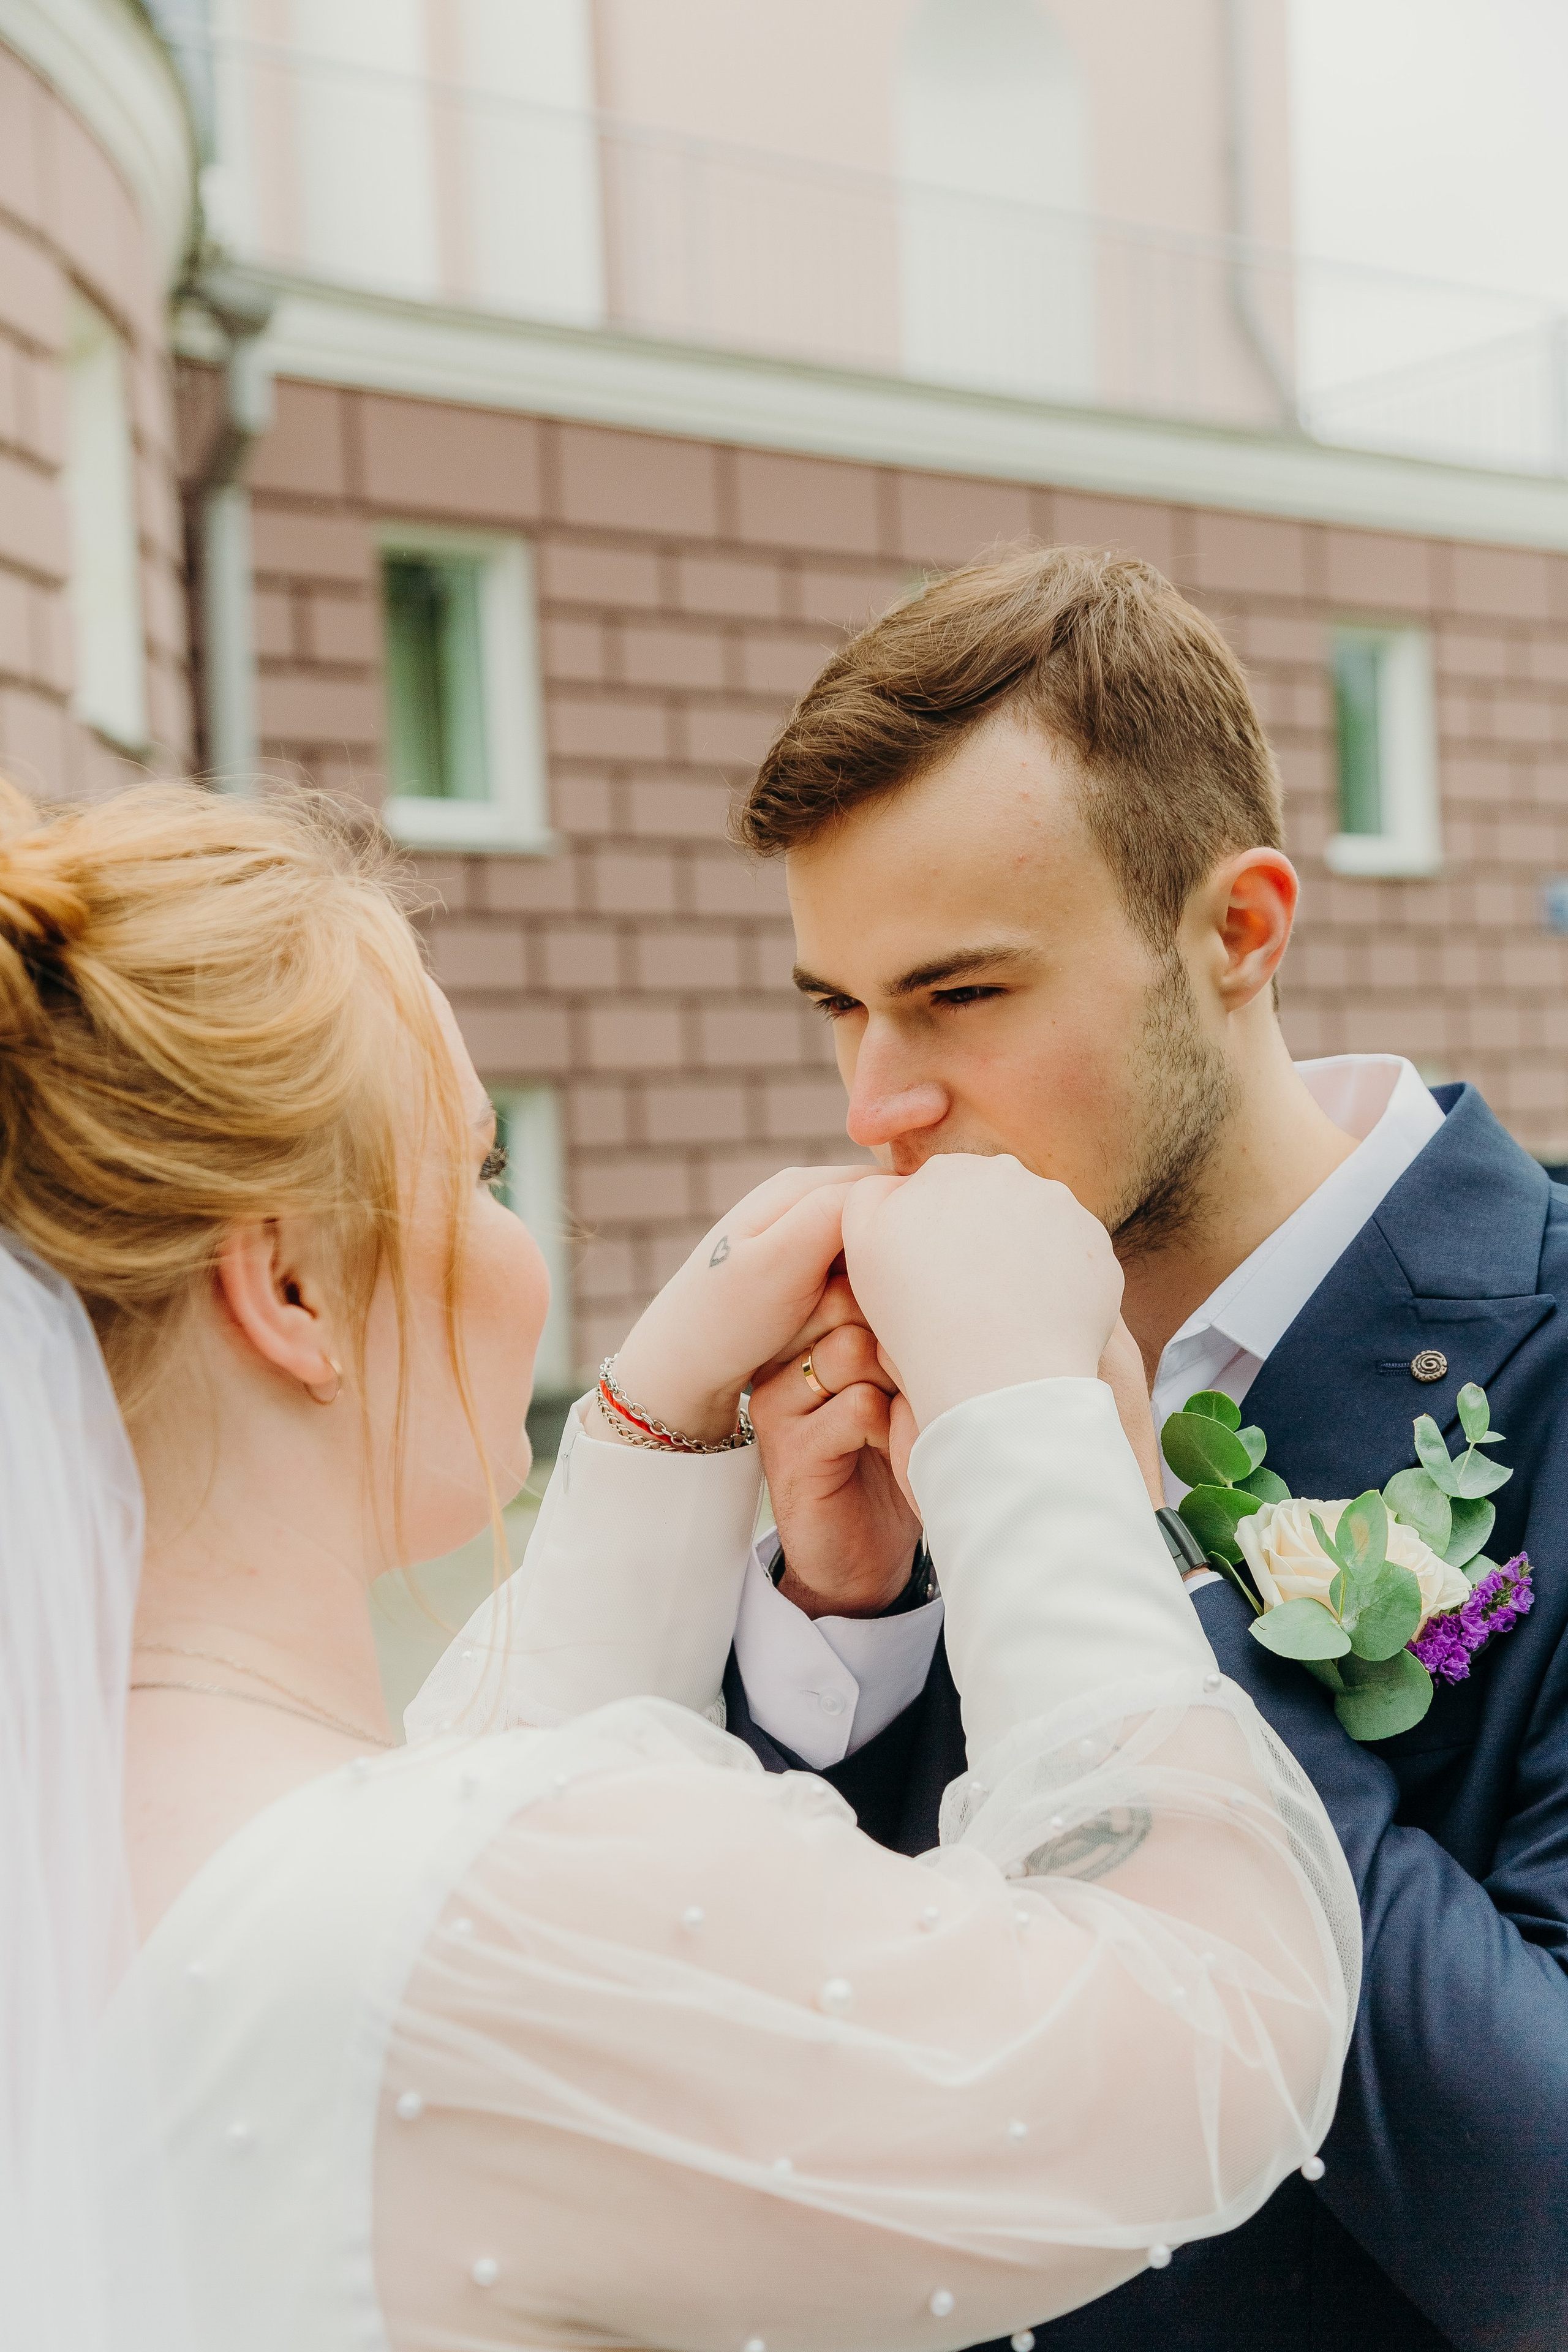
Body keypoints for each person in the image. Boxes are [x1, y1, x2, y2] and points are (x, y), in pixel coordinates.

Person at [0, 777, 1356, 2352]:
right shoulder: (471, 1909)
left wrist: (649, 1444)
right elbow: (1198, 2032)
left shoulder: (82, 1836)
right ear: (288, 1286)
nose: (518, 1248)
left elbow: (442, 1824)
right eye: (483, 1170)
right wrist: (1031, 1435)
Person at [499, 544, 1558, 2352]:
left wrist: (1123, 1537)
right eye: (837, 1005)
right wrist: (850, 1621)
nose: (874, 1106)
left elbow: (1537, 2218)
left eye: (960, 996)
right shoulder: (898, 1367)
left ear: (1239, 930)